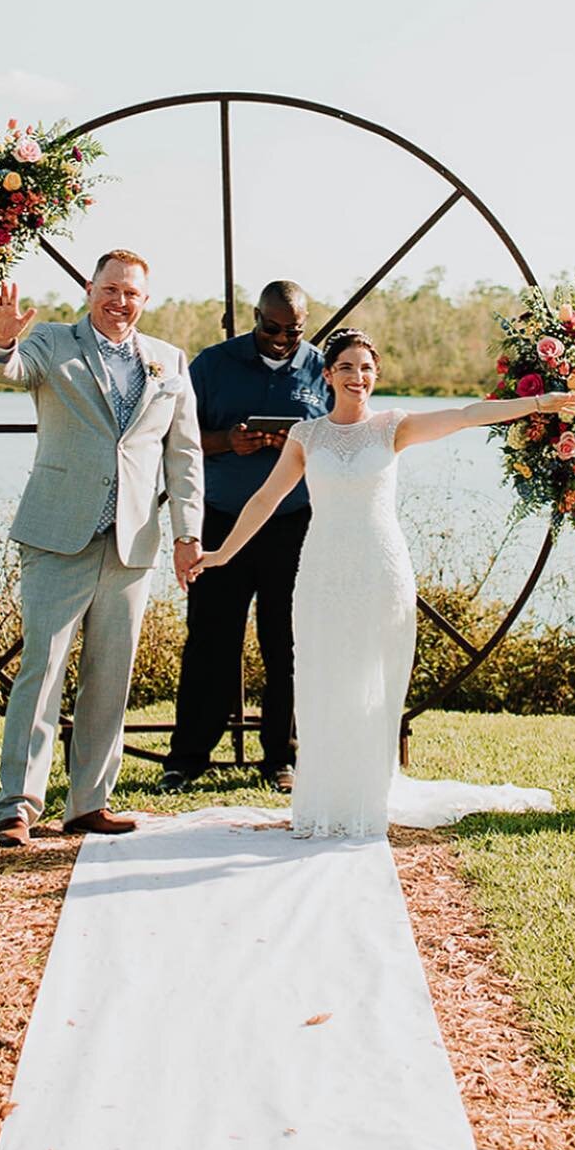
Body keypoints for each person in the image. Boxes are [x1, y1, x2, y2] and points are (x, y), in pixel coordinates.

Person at [189, 328, 575, 837]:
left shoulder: (393, 427)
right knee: (321, 677)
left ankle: (368, 794)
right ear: (327, 376)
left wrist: (540, 402)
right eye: (346, 367)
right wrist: (221, 554)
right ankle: (323, 795)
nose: (358, 377)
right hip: (323, 569)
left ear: (377, 376)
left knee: (375, 680)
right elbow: (264, 500)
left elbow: (465, 416)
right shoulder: (307, 437)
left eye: (366, 368)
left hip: (380, 568)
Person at [0, 250, 204, 845]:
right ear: (89, 288)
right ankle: (17, 806)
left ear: (144, 299)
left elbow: (183, 456)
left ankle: (88, 803)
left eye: (131, 293)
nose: (119, 301)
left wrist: (187, 533)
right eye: (110, 289)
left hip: (132, 542)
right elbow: (7, 370)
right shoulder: (52, 343)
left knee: (111, 675)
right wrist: (0, 343)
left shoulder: (168, 362)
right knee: (42, 668)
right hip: (59, 533)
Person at [162, 281, 329, 793]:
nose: (282, 339)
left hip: (293, 523)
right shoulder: (213, 365)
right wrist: (228, 441)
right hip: (223, 518)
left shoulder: (322, 368)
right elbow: (179, 440)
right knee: (211, 640)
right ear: (254, 316)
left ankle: (282, 757)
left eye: (293, 331)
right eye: (271, 327)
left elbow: (341, 440)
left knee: (288, 642)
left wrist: (296, 446)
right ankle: (188, 758)